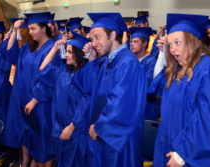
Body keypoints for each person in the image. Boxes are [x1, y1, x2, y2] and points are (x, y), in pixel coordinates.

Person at [149, 13, 210, 167]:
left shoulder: (206, 70)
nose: (172, 49)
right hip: (169, 146)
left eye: (178, 43)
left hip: (189, 155)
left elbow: (208, 121)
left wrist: (182, 154)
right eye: (170, 44)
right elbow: (154, 87)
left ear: (192, 42)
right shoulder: (178, 68)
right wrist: (162, 57)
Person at [83, 12, 147, 167]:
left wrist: (98, 127)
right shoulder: (106, 62)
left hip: (118, 140)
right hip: (102, 137)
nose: (93, 43)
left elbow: (122, 104)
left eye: (97, 37)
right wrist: (91, 60)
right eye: (91, 38)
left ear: (112, 35)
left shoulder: (128, 63)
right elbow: (88, 90)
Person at [1, 12, 54, 167]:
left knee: (41, 142)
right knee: (26, 135)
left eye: (33, 28)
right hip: (24, 100)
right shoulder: (27, 48)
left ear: (44, 28)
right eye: (29, 29)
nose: (30, 32)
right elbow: (10, 54)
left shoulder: (52, 49)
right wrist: (14, 30)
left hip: (40, 103)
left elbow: (49, 79)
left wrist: (34, 99)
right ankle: (25, 163)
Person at [38, 31, 91, 167]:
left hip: (74, 130)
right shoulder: (63, 71)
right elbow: (43, 68)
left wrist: (72, 126)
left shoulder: (85, 75)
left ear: (78, 54)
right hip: (59, 128)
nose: (65, 55)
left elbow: (86, 103)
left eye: (69, 52)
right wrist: (55, 48)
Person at [129, 26, 158, 120]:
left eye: (136, 42)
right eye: (131, 42)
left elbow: (146, 84)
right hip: (130, 106)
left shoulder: (151, 62)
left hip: (146, 107)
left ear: (145, 43)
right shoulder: (129, 60)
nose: (132, 44)